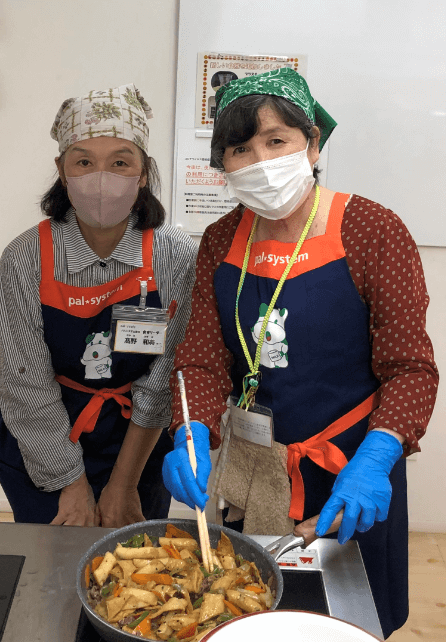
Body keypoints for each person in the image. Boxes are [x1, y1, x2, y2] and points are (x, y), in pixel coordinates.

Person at [162, 68, 438, 638]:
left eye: (276, 141)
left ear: (312, 143)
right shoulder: (221, 238)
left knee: (349, 616)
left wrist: (376, 458)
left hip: (350, 470)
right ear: (222, 164)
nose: (259, 160)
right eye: (240, 148)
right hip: (253, 468)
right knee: (251, 610)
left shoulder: (370, 229)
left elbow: (410, 366)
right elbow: (200, 360)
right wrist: (190, 431)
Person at [0, 84, 198, 527]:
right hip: (45, 441)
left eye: (120, 162)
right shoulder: (25, 257)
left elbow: (163, 375)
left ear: (143, 173)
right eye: (84, 162)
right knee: (52, 570)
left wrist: (123, 484)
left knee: (136, 576)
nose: (101, 179)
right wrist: (71, 482)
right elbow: (24, 382)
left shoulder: (174, 253)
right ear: (62, 172)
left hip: (138, 445)